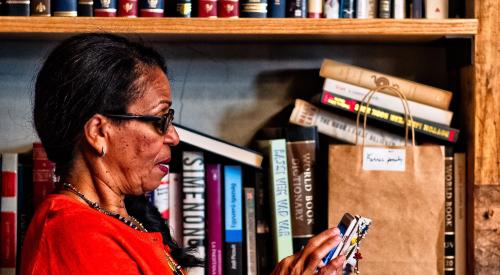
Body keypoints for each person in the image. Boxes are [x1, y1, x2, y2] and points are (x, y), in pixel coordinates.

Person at [21, 33, 345, 275]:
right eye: (160, 120)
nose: (173, 137)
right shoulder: (75, 237)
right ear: (98, 132)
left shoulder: (119, 220)